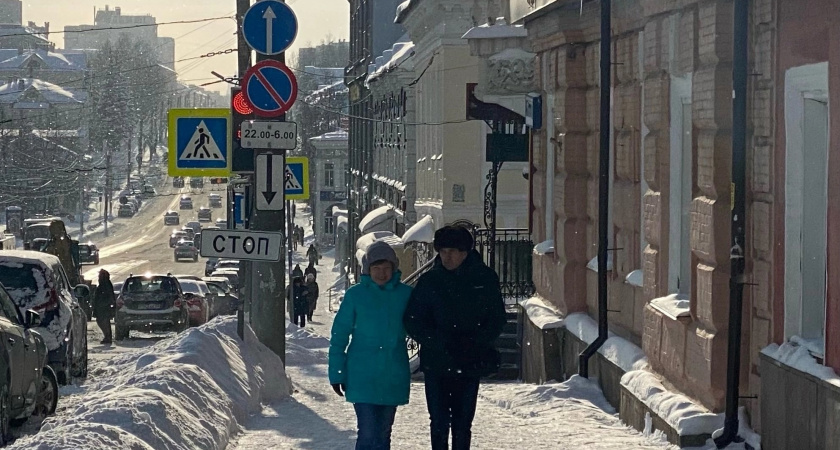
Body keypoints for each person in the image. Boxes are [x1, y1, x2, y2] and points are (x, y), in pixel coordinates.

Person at [404, 226, 506, 450]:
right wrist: (436, 340)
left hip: (469, 362)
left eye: (452, 251)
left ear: (465, 252)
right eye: (442, 251)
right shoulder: (430, 281)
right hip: (437, 362)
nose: (447, 257)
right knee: (438, 421)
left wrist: (475, 341)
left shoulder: (484, 279)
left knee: (462, 423)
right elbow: (413, 319)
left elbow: (497, 318)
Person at [329, 241, 413, 450]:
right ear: (368, 269)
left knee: (384, 434)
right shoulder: (356, 295)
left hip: (393, 373)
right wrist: (337, 373)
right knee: (367, 433)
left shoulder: (406, 295)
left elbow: (419, 327)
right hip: (361, 375)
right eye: (376, 268)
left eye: (386, 268)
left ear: (394, 268)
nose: (382, 273)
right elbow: (339, 336)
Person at [93, 269, 117, 344]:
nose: (98, 276)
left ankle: (108, 337)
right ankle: (107, 336)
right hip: (101, 305)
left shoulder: (106, 283)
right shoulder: (103, 283)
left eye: (100, 275)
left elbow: (109, 295)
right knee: (102, 321)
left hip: (104, 306)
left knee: (104, 321)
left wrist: (106, 303)